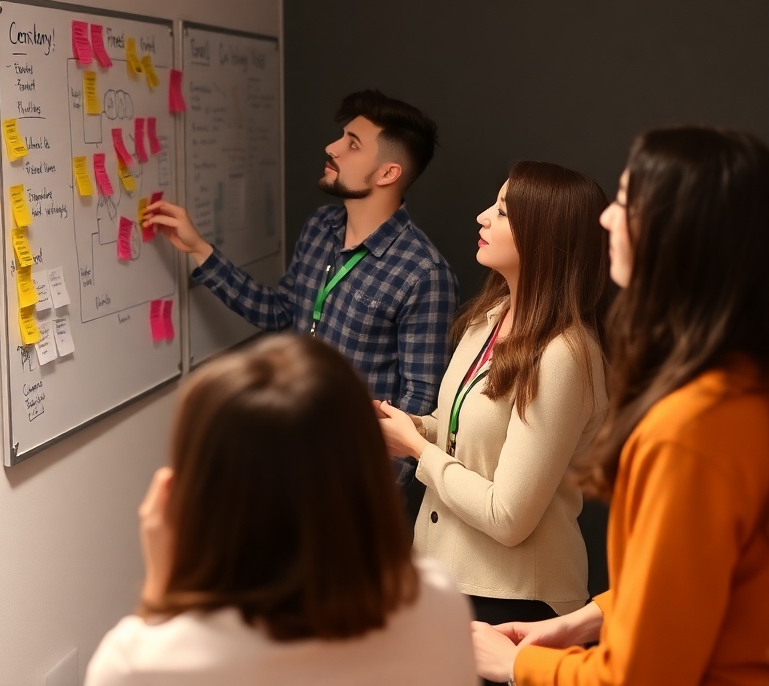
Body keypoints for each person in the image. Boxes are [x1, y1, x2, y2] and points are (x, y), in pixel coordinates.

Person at [471, 128, 769, 686]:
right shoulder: (738, 393)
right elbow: (697, 577)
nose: (607, 220)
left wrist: (516, 665)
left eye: (627, 202)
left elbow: (645, 674)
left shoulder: (692, 430)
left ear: (682, 234)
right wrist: (589, 618)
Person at [84, 333, 476, 686]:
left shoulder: (138, 664)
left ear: (194, 496)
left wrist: (161, 587)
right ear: (365, 479)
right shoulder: (436, 604)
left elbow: (149, 655)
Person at [144, 90, 458, 473]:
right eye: (342, 137)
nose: (332, 147)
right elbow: (280, 312)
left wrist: (373, 497)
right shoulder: (320, 227)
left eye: (352, 144)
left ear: (387, 173)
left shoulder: (424, 273)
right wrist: (198, 249)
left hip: (350, 472)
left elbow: (420, 406)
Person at [375, 161, 609, 659]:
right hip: (443, 580)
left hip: (515, 605)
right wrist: (411, 427)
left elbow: (507, 517)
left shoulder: (564, 355)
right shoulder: (490, 317)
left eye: (502, 212)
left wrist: (416, 449)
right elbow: (466, 436)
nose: (482, 217)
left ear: (544, 236)